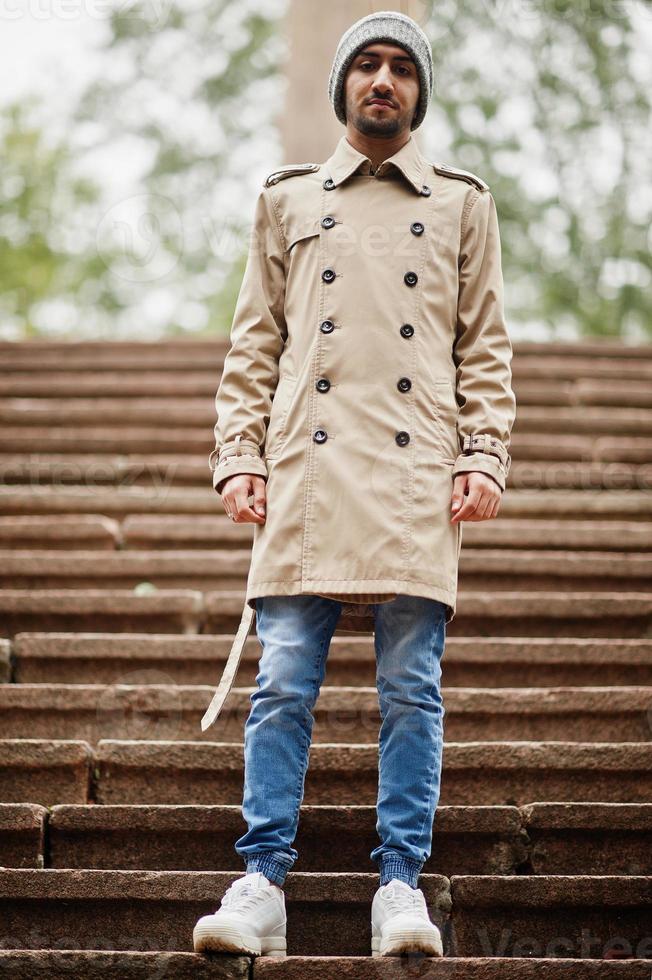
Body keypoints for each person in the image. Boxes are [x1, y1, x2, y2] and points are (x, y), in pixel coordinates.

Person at [194, 9, 516, 960]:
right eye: (367, 66)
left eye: (401, 69)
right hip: (306, 472)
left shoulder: (464, 204)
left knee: (412, 689)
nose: (384, 80)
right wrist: (239, 452)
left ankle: (401, 886)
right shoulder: (287, 200)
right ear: (343, 88)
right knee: (284, 684)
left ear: (420, 92)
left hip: (418, 472)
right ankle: (260, 883)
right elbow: (255, 342)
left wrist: (483, 453)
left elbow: (483, 349)